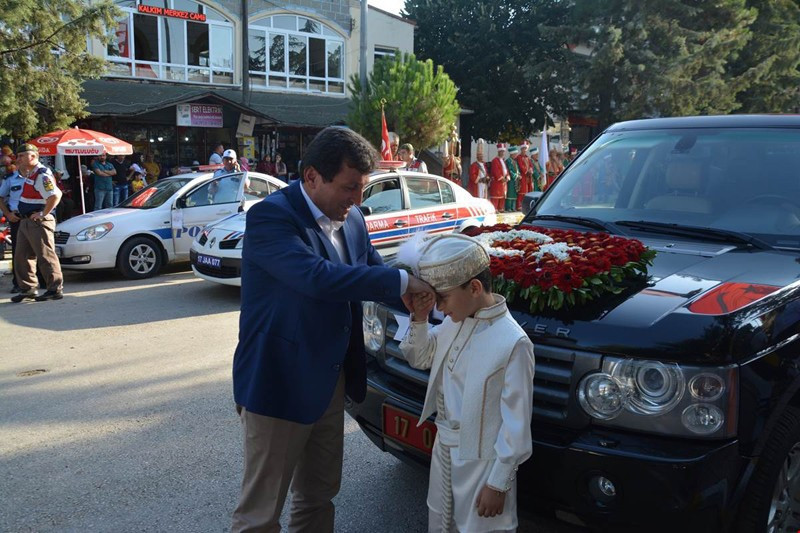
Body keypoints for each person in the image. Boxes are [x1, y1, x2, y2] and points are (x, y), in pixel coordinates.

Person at [230, 126, 432, 533]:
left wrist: (429, 302)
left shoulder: (353, 216)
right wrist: (403, 284)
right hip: (278, 384)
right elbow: (318, 279)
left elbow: (371, 270)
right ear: (311, 178)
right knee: (260, 515)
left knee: (318, 497)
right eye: (349, 188)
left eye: (362, 188)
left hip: (330, 381)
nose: (358, 200)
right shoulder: (271, 218)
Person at [398, 233, 535, 533]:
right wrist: (419, 319)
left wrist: (498, 483)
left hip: (481, 465)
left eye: (442, 298)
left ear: (474, 287)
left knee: (479, 528)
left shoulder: (513, 342)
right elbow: (419, 356)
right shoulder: (454, 323)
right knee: (441, 523)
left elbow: (516, 426)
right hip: (444, 453)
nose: (440, 309)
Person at [10, 144, 63, 302]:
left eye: (21, 156)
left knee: (45, 255)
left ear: (32, 157)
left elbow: (54, 195)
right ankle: (28, 289)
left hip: (37, 222)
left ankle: (54, 289)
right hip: (26, 221)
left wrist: (43, 213)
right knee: (22, 256)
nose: (17, 159)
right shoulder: (31, 173)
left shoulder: (42, 174)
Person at [0, 163, 25, 293]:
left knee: (41, 250)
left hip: (36, 218)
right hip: (17, 218)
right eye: (19, 158)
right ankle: (18, 283)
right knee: (18, 251)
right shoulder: (10, 178)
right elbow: (1, 197)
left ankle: (44, 280)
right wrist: (8, 214)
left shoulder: (41, 175)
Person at [490, 143, 509, 212]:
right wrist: (501, 178)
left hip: (503, 182)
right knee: (496, 196)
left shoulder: (503, 161)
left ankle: (501, 208)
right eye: (501, 151)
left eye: (503, 151)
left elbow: (506, 170)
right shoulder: (495, 160)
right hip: (497, 182)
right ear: (498, 151)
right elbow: (496, 171)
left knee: (502, 195)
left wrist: (507, 176)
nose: (503, 153)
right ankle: (494, 208)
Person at [516, 142, 533, 211]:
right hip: (523, 176)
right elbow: (521, 166)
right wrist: (526, 171)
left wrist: (531, 170)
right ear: (521, 149)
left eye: (526, 149)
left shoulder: (527, 157)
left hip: (528, 177)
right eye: (523, 149)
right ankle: (519, 205)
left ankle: (525, 205)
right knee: (522, 191)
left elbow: (531, 165)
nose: (525, 150)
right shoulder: (519, 157)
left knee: (527, 191)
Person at [504, 146, 520, 212]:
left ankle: (513, 207)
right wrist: (515, 175)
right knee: (510, 193)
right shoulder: (508, 161)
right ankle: (508, 207)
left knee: (514, 193)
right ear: (512, 154)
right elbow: (509, 170)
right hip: (511, 180)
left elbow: (517, 169)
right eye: (515, 154)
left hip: (516, 180)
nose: (516, 155)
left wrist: (519, 174)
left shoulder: (515, 162)